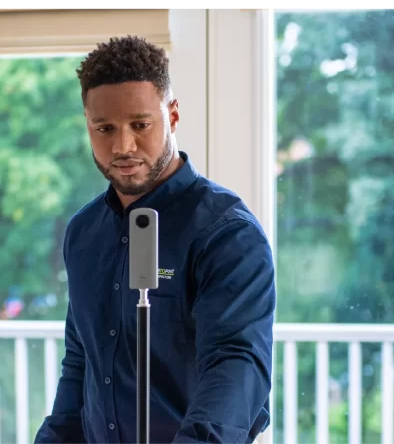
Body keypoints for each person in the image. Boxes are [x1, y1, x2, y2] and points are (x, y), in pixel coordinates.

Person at [33, 35, 276, 444]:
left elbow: (236, 367)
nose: (122, 146)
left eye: (140, 125)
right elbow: (81, 365)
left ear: (173, 115)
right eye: (104, 128)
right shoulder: (83, 233)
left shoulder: (228, 235)